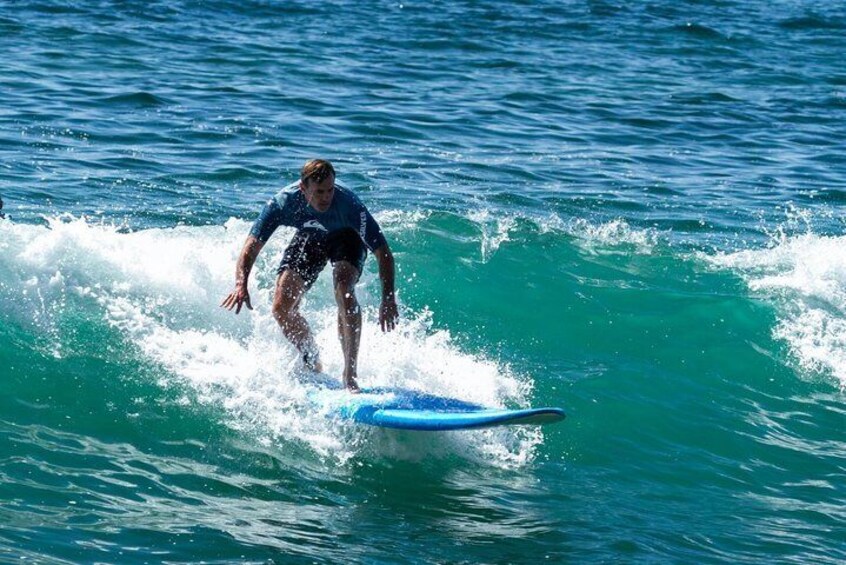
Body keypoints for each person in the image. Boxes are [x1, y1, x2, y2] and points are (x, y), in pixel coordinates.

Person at [221, 159, 398, 392]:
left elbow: (383, 253)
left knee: (344, 290)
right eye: (319, 192)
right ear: (303, 189)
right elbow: (251, 246)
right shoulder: (283, 202)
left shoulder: (349, 205)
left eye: (330, 190)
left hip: (347, 237)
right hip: (311, 235)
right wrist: (240, 284)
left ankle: (350, 374)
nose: (326, 197)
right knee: (281, 306)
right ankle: (312, 357)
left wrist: (387, 298)